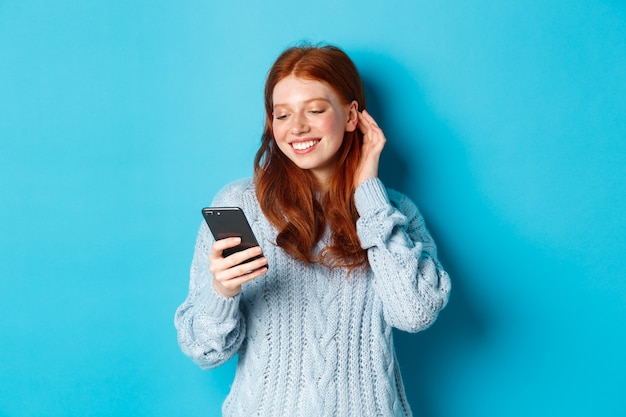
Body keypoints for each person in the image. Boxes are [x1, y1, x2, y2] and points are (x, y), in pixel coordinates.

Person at [174, 43, 451, 417]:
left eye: (315, 110)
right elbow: (204, 350)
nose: (297, 128)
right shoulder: (239, 205)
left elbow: (414, 314)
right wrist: (222, 291)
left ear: (353, 115)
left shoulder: (393, 212)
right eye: (282, 114)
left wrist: (369, 194)